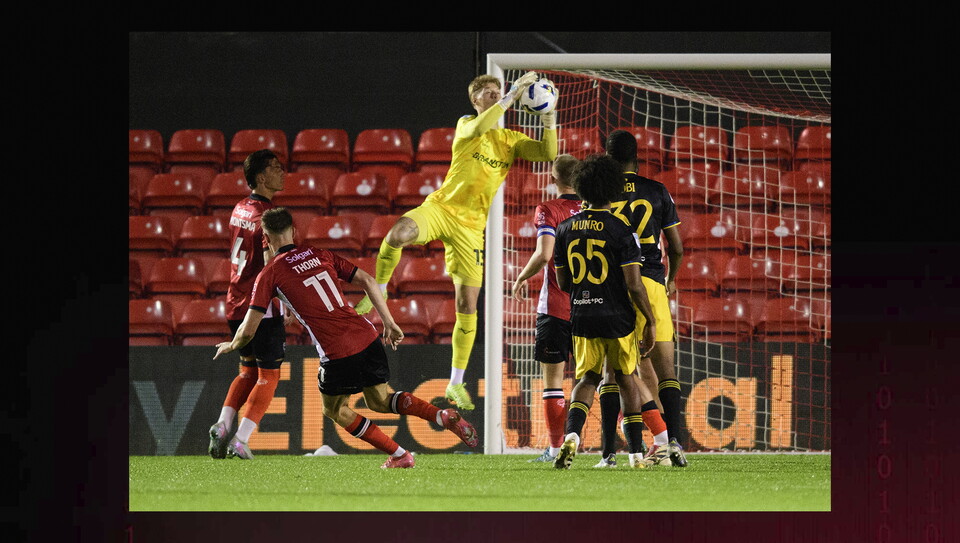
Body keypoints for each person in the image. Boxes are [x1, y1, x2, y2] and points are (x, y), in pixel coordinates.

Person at [354, 70, 558, 411]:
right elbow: (480, 126)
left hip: (471, 228)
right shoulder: (466, 125)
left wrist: (549, 115)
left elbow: (548, 153)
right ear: (475, 100)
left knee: (467, 305)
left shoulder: (509, 139)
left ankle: (454, 384)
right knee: (396, 234)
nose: (495, 95)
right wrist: (511, 95)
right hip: (441, 209)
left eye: (498, 91)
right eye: (489, 93)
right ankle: (382, 288)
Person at [214, 207, 479, 467]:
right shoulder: (321, 254)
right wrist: (389, 321)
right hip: (367, 335)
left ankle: (400, 455)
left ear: (266, 238)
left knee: (334, 410)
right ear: (294, 231)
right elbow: (368, 281)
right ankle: (441, 415)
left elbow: (249, 328)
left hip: (336, 351)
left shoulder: (269, 273)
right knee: (381, 401)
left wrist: (233, 343)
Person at [550, 154, 657, 470]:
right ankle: (636, 454)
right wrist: (649, 320)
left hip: (582, 314)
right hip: (618, 317)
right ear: (613, 189)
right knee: (626, 378)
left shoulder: (565, 228)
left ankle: (572, 436)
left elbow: (563, 281)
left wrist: (587, 293)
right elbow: (635, 284)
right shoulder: (621, 229)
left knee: (587, 378)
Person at [599, 129, 688, 468]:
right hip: (652, 281)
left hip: (617, 286)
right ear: (637, 157)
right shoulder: (657, 191)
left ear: (607, 157)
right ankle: (673, 443)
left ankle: (622, 449)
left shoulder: (601, 193)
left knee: (620, 370)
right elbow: (677, 248)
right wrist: (671, 280)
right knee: (665, 370)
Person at [207, 149, 291, 460]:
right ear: (260, 177)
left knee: (247, 371)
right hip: (261, 306)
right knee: (269, 375)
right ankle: (240, 439)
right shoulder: (269, 216)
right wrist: (288, 304)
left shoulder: (239, 208)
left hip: (234, 300)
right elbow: (273, 265)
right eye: (274, 168)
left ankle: (222, 425)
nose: (282, 172)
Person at [510, 154, 581, 463]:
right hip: (595, 309)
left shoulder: (548, 210)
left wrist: (521, 277)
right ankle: (616, 450)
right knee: (602, 380)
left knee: (554, 383)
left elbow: (544, 254)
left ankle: (554, 449)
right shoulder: (598, 210)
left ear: (554, 180)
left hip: (556, 308)